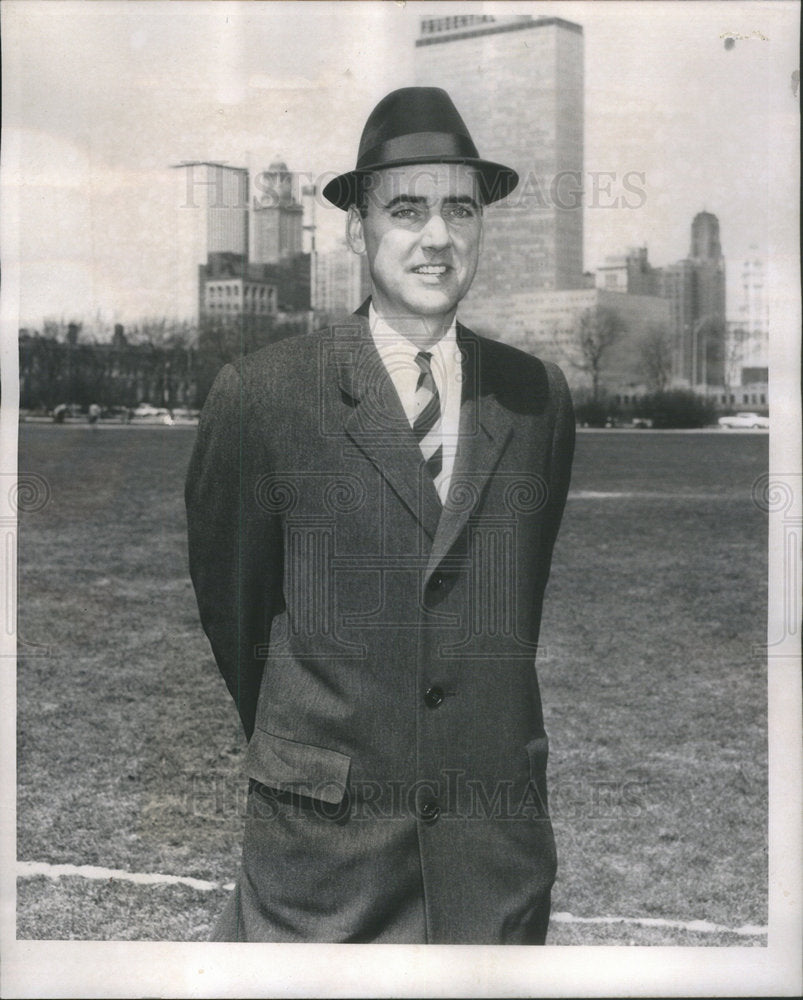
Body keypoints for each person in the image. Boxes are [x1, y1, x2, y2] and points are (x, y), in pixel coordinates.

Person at [185, 87, 575, 945]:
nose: (436, 237)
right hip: (326, 870)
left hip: (491, 863)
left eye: (458, 209)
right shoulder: (263, 396)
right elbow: (235, 614)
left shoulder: (536, 397)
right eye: (406, 209)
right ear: (357, 229)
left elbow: (509, 618)